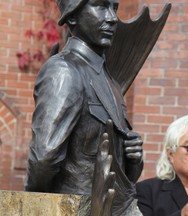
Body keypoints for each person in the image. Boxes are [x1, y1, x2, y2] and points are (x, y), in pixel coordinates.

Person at [25, 0, 143, 215]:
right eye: (100, 6)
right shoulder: (64, 70)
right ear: (72, 16)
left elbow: (113, 171)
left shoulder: (111, 82)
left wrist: (132, 158)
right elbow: (44, 159)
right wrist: (32, 207)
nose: (112, 17)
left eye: (114, 8)